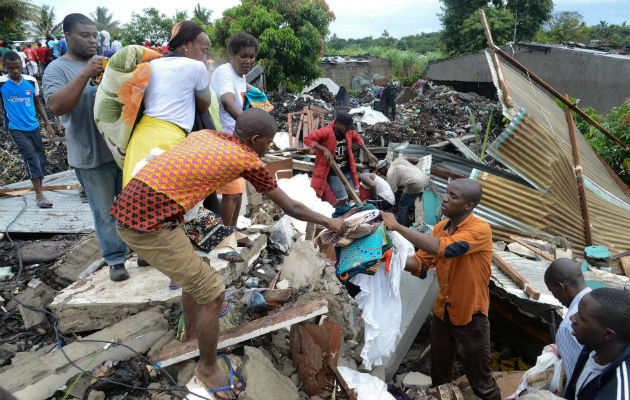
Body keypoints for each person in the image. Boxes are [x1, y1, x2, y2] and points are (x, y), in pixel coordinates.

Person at [112, 108, 345, 399]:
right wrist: (329, 221)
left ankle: (194, 337)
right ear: (255, 139)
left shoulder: (208, 134)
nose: (269, 148)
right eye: (268, 142)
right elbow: (292, 208)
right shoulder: (247, 159)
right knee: (212, 293)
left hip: (143, 208)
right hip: (147, 223)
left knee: (195, 275)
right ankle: (207, 369)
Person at [381, 178, 502, 400]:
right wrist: (386, 255)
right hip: (442, 314)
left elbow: (446, 249)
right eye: (446, 193)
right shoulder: (440, 228)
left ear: (469, 205)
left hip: (470, 316)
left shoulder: (480, 230)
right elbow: (419, 264)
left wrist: (398, 227)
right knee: (440, 377)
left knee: (481, 382)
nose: (445, 198)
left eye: (453, 196)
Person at [43, 13, 129, 282]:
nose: (92, 40)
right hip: (90, 156)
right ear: (67, 36)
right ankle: (115, 259)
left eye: (94, 35)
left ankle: (144, 251)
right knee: (105, 213)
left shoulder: (107, 64)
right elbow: (56, 106)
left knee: (133, 205)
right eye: (85, 35)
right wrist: (85, 74)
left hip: (120, 151)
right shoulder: (57, 69)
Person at [122, 20, 211, 187]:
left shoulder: (153, 64)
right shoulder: (197, 67)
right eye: (203, 51)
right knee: (168, 203)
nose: (204, 57)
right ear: (186, 45)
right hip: (169, 139)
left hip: (141, 138)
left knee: (136, 199)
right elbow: (204, 105)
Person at [209, 32, 258, 229]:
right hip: (222, 140)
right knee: (232, 192)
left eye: (252, 57)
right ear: (231, 54)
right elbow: (228, 102)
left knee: (238, 192)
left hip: (235, 141)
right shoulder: (225, 72)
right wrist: (251, 126)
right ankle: (224, 238)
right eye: (243, 56)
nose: (248, 61)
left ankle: (233, 232)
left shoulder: (241, 77)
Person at [1, 51, 56, 208]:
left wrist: (47, 123)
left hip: (34, 126)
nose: (15, 71)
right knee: (30, 157)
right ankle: (39, 195)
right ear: (5, 67)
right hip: (15, 128)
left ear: (22, 65)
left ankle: (39, 185)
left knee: (41, 159)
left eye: (18, 67)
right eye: (11, 68)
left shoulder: (31, 81)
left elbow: (37, 103)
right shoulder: (2, 83)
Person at [563, 288, 629, 400]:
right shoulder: (593, 347)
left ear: (607, 334)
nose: (572, 318)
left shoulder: (616, 390)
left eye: (581, 317)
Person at [304, 112, 378, 207]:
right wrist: (324, 149)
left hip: (347, 169)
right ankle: (338, 214)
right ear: (339, 124)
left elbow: (358, 140)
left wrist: (369, 153)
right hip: (333, 172)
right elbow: (307, 139)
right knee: (343, 199)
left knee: (356, 195)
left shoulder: (348, 132)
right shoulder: (326, 132)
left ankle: (343, 209)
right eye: (346, 127)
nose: (348, 130)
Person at [544, 258, 591, 380]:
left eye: (552, 291)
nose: (554, 296)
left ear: (560, 287)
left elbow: (576, 380)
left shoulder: (568, 327)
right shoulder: (600, 300)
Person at [377, 156, 430, 226]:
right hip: (425, 179)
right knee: (408, 196)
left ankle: (401, 227)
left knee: (402, 207)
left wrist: (397, 205)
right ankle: (411, 212)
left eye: (380, 171)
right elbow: (416, 159)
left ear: (382, 169)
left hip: (416, 184)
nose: (381, 173)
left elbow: (394, 196)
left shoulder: (390, 175)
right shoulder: (399, 159)